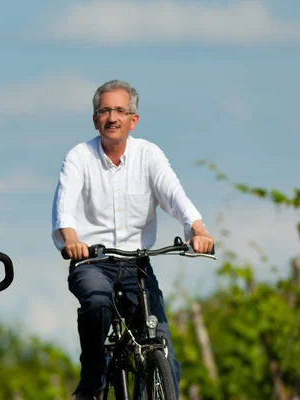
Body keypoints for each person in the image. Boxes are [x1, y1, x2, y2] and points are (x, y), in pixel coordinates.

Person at [52, 80, 214, 400]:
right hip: (92, 262)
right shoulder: (79, 157)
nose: (112, 117)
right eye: (105, 110)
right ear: (95, 118)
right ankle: (94, 376)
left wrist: (197, 228)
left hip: (136, 264)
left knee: (161, 351)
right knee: (96, 301)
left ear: (133, 119)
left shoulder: (148, 154)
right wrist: (71, 240)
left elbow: (174, 195)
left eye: (120, 111)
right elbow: (64, 210)